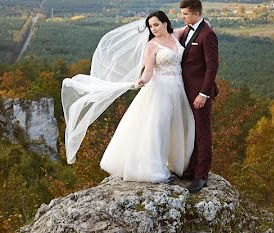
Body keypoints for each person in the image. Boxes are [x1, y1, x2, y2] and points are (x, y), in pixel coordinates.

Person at [61, 11, 194, 184]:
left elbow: (194, 27)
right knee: (158, 128)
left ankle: (176, 164)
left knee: (175, 126)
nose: (153, 29)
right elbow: (148, 72)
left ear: (165, 23)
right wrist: (142, 81)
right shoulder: (152, 46)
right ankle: (154, 168)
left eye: (156, 24)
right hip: (160, 90)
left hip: (178, 89)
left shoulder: (176, 35)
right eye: (150, 26)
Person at [173, 0, 219, 193]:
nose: (182, 17)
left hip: (200, 94)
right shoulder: (187, 31)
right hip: (186, 91)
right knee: (191, 131)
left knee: (202, 133)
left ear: (197, 14)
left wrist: (203, 94)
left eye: (185, 14)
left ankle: (201, 176)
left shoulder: (208, 34)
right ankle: (191, 169)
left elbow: (212, 67)